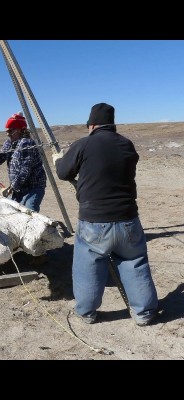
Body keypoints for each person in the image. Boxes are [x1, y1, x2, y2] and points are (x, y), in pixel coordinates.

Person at [52, 102, 158, 326]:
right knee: (135, 262)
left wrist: (58, 160)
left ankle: (87, 312)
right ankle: (144, 313)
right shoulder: (127, 145)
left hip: (95, 221)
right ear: (112, 124)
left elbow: (63, 173)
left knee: (87, 265)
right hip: (128, 218)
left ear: (91, 125)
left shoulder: (83, 144)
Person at [0, 111, 47, 213]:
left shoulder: (27, 143)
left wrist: (12, 188)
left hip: (33, 187)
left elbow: (25, 170)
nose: (7, 134)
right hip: (19, 188)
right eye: (7, 131)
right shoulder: (9, 143)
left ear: (19, 130)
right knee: (15, 212)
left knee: (29, 212)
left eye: (10, 131)